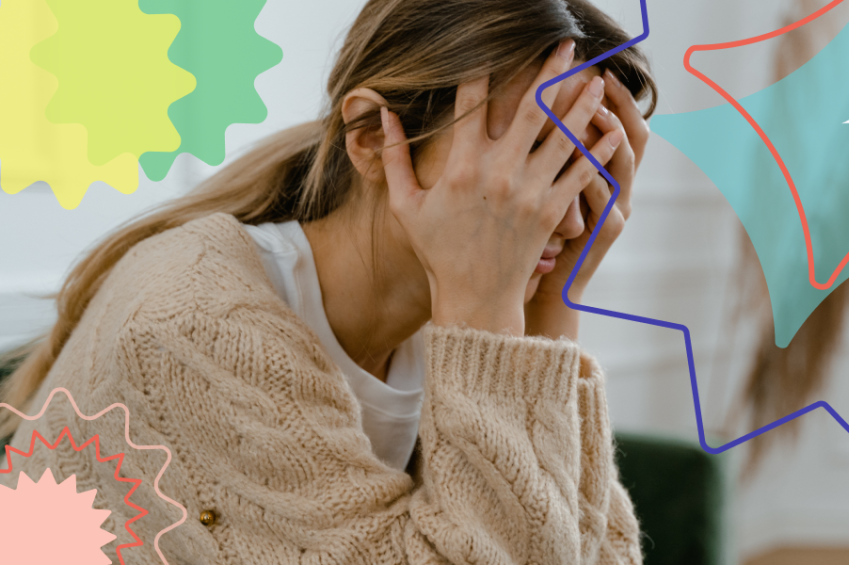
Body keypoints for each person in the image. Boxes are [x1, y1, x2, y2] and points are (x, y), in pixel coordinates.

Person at [0, 0, 657, 562]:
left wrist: (549, 309)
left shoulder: (460, 314)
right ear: (372, 136)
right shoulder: (194, 328)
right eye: (531, 156)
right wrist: (503, 322)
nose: (564, 214)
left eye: (587, 169)